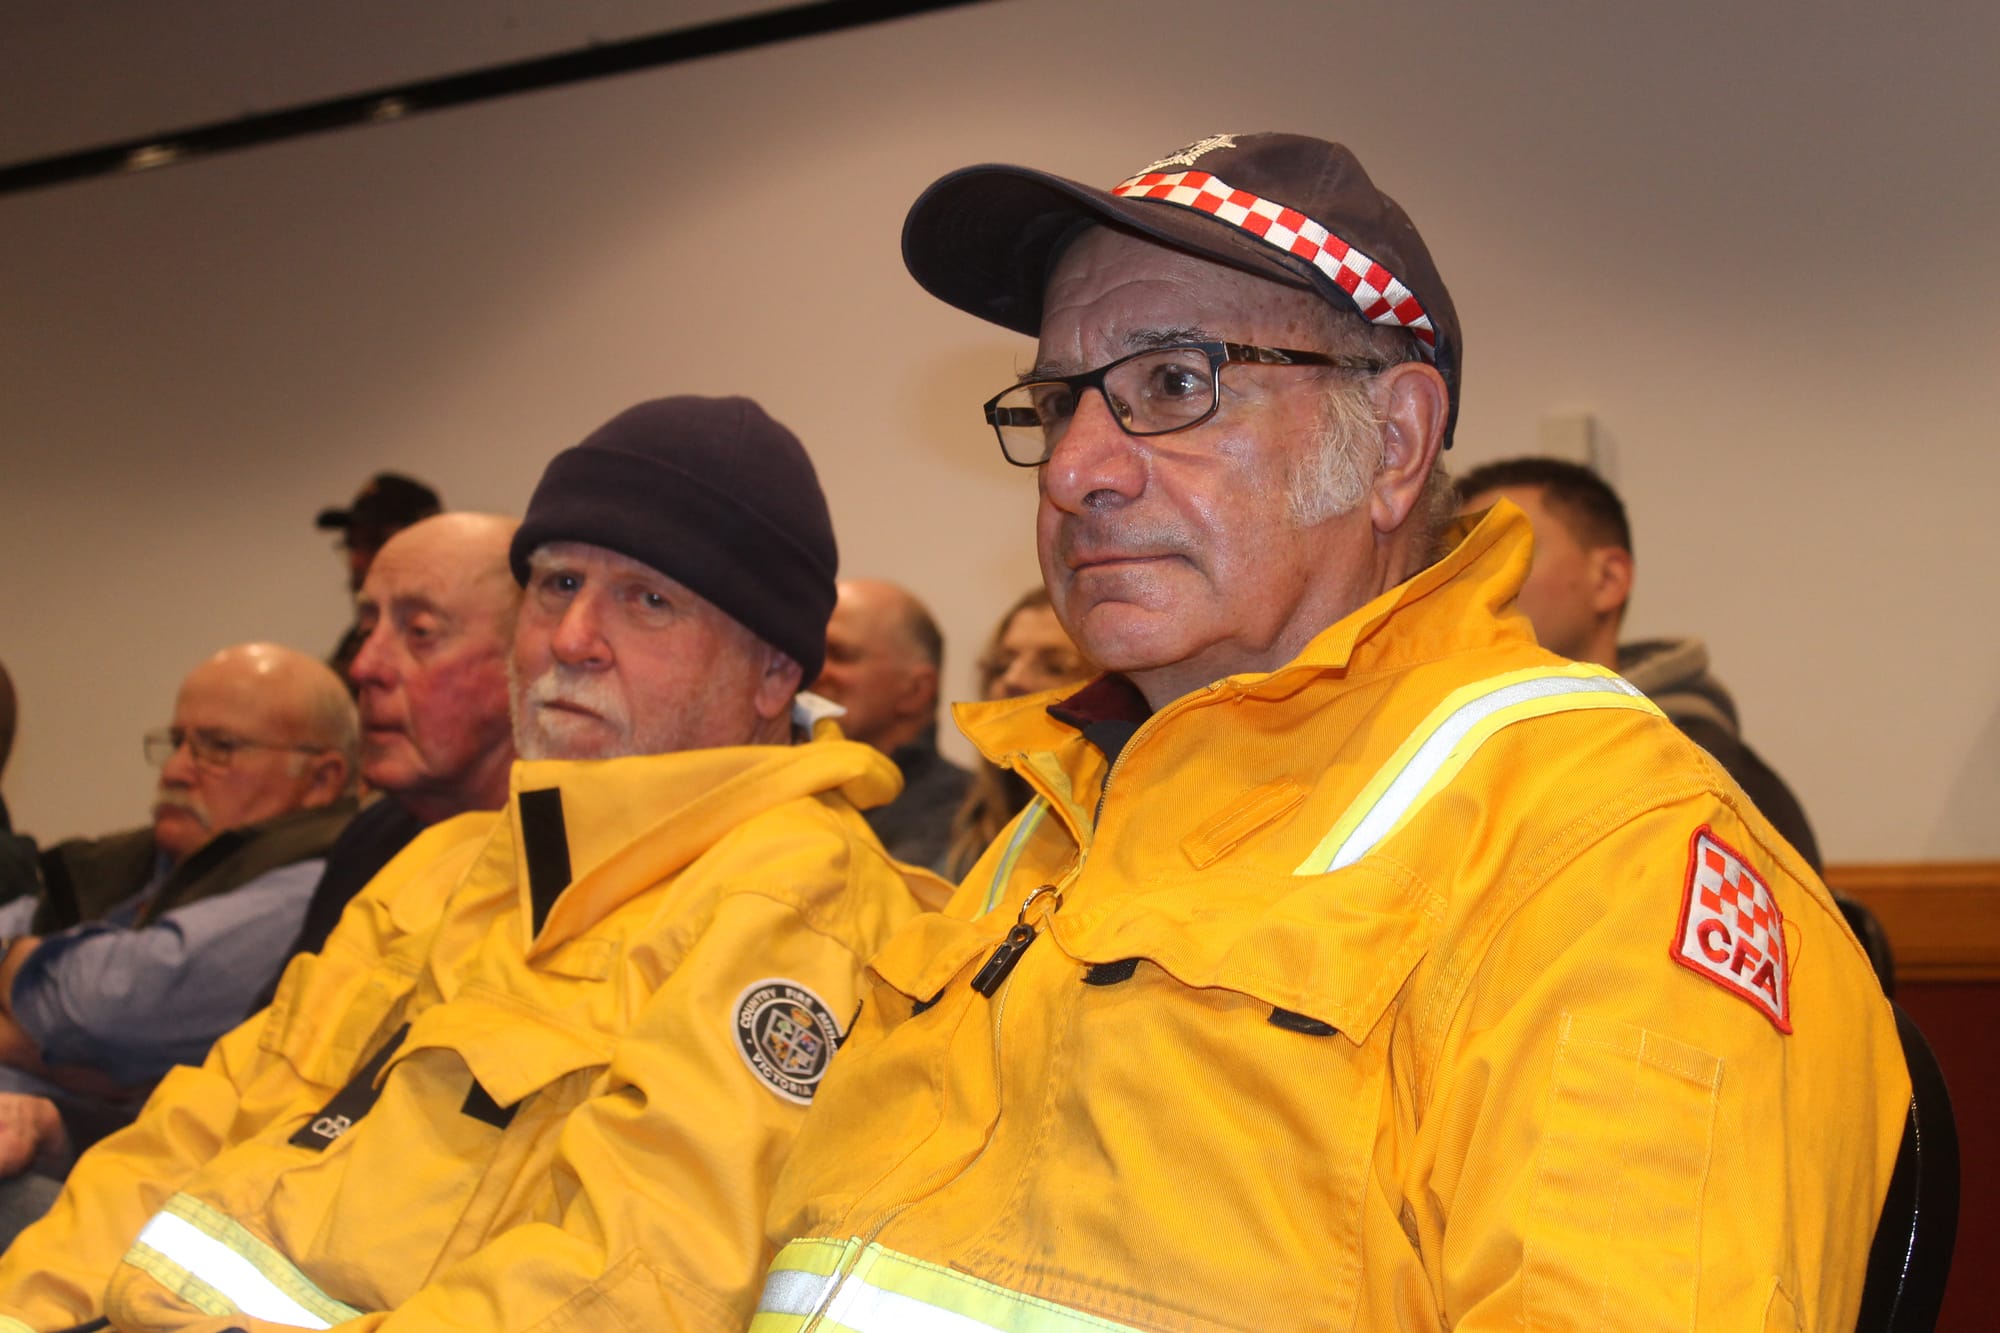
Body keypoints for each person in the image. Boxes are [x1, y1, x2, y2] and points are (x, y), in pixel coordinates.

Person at [753, 133, 1907, 1330]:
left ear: (1394, 444)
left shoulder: (1600, 847)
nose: (1072, 471)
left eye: (1173, 384)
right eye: (1056, 403)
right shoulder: (1051, 829)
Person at [0, 395, 942, 1331]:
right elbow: (187, 1136)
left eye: (648, 600)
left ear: (774, 673)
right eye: (558, 583)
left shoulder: (799, 906)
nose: (572, 638)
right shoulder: (452, 860)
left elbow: (638, 1290)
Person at [0, 516, 525, 1188]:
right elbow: (250, 1098)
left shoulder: (566, 872)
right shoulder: (377, 841)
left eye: (419, 632)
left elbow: (112, 1007)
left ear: (533, 658)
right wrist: (62, 1128)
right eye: (367, 627)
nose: (364, 666)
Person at [0, 645, 357, 1151]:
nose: (174, 770)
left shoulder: (317, 889)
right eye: (176, 743)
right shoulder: (143, 861)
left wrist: (13, 975)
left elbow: (111, 1006)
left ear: (321, 780)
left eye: (218, 748)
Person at [1456, 456, 1823, 868]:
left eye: (1508, 552)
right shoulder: (1459, 763)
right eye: (1460, 564)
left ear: (1608, 580)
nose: (1476, 586)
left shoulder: (1712, 783)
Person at [813, 578, 971, 869]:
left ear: (916, 691)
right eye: (813, 652)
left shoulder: (968, 819)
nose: (814, 670)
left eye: (840, 655)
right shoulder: (795, 791)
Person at [940, 588, 1093, 879]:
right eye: (1002, 665)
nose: (1012, 679)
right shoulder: (962, 823)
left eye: (1056, 667)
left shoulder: (1130, 827)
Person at [316, 470, 444, 684]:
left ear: (428, 544)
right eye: (351, 545)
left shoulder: (453, 639)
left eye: (373, 542)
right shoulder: (353, 645)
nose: (356, 561)